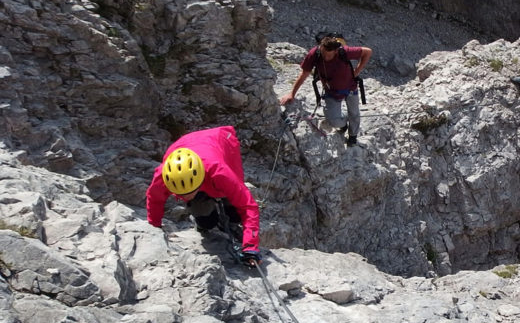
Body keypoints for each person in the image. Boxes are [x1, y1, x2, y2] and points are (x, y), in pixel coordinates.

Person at [145, 126, 261, 266]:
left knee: (234, 211)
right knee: (206, 221)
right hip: (189, 147)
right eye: (182, 195)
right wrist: (154, 227)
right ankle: (207, 216)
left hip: (221, 142)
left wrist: (250, 247)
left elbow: (248, 206)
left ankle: (230, 219)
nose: (186, 197)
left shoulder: (219, 171)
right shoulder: (164, 175)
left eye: (190, 193)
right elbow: (155, 199)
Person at [280, 35, 372, 146]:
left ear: (336, 51)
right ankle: (343, 124)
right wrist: (292, 93)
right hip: (331, 91)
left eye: (330, 55)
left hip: (351, 87)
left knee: (355, 113)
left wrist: (356, 72)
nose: (326, 58)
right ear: (321, 47)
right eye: (324, 54)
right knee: (334, 120)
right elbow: (304, 74)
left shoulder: (344, 52)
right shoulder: (315, 54)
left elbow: (367, 52)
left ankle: (353, 136)